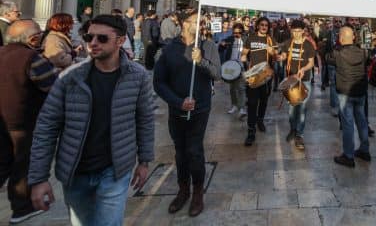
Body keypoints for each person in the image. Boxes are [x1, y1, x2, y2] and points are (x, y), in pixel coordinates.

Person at [29, 15, 154, 226]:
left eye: (102, 38)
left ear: (120, 41)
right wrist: (39, 178)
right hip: (75, 171)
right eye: (89, 37)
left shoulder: (138, 76)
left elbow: (145, 119)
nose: (93, 43)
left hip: (115, 170)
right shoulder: (70, 77)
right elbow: (46, 127)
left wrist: (144, 160)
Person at [154, 11, 221, 217]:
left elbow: (217, 74)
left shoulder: (208, 46)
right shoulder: (169, 48)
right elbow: (159, 82)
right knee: (180, 151)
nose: (200, 24)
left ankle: (198, 193)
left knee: (194, 150)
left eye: (201, 21)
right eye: (195, 21)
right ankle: (183, 190)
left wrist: (201, 61)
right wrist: (178, 102)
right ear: (184, 23)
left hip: (200, 109)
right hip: (177, 109)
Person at [0, 20, 57, 224]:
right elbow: (53, 87)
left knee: (2, 162)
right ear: (33, 39)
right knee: (23, 165)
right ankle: (22, 208)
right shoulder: (32, 58)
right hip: (24, 122)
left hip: (2, 121)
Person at [327, 26, 370, 168]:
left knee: (348, 124)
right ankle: (364, 150)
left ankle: (348, 155)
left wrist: (335, 45)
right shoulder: (363, 52)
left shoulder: (337, 53)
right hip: (360, 92)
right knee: (362, 121)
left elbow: (327, 58)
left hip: (345, 93)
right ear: (353, 37)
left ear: (340, 38)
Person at [279, 19, 315, 150]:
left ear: (303, 31)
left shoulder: (308, 45)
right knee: (292, 109)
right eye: (294, 31)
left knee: (302, 109)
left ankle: (299, 134)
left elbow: (311, 63)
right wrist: (280, 57)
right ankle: (293, 129)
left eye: (299, 31)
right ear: (291, 31)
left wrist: (303, 69)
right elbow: (284, 55)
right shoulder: (288, 43)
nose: (296, 34)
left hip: (304, 80)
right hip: (291, 80)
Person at [241, 17, 275, 146]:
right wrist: (244, 62)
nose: (264, 27)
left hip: (266, 76)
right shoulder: (251, 38)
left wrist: (273, 52)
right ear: (257, 26)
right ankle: (251, 131)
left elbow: (277, 56)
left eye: (266, 25)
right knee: (252, 103)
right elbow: (244, 54)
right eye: (262, 24)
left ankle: (260, 120)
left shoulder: (270, 39)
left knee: (264, 100)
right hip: (253, 75)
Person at [221, 23, 247, 117]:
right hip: (231, 66)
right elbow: (221, 46)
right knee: (232, 88)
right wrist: (222, 44)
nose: (237, 34)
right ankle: (234, 105)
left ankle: (242, 108)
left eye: (239, 32)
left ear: (242, 32)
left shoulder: (246, 40)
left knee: (241, 88)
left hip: (242, 66)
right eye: (235, 32)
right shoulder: (230, 39)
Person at [323, 17, 343, 116]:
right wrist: (327, 58)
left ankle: (341, 105)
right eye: (336, 21)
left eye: (340, 21)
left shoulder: (345, 32)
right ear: (333, 22)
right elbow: (325, 46)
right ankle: (335, 106)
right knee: (333, 84)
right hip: (332, 62)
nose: (338, 23)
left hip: (343, 62)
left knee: (342, 83)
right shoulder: (329, 33)